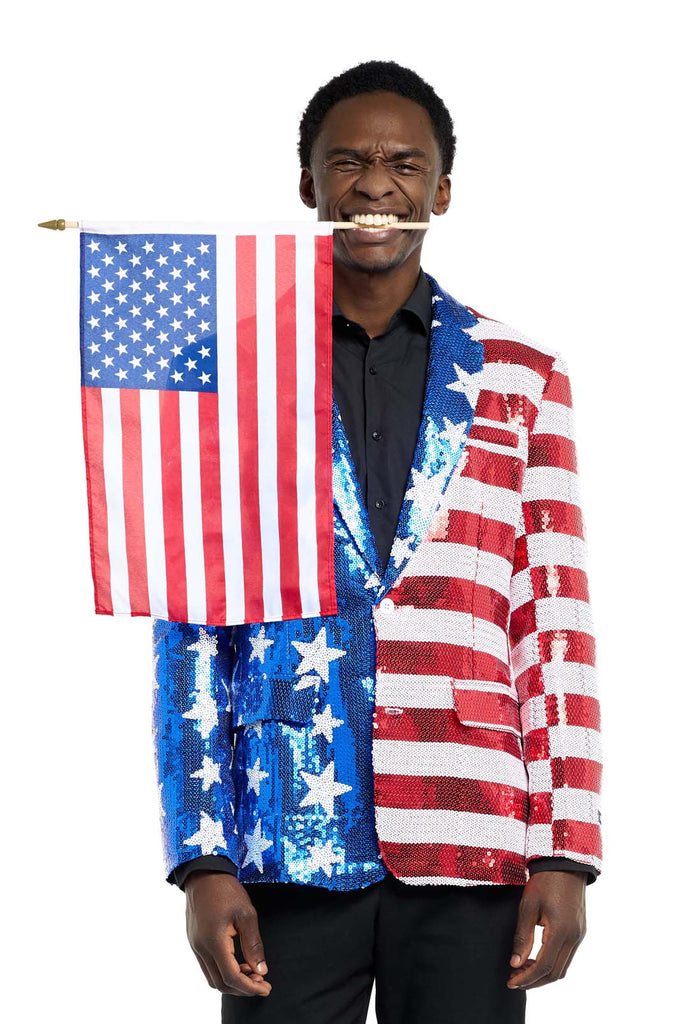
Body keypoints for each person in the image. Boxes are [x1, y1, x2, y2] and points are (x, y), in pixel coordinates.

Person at [152, 59, 603, 1023]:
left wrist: (567, 848)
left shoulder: (523, 376)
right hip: (288, 833)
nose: (374, 185)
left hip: (473, 828)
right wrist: (200, 857)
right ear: (307, 182)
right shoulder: (227, 372)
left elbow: (552, 616)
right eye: (346, 161)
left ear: (441, 188)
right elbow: (190, 623)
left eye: (404, 162)